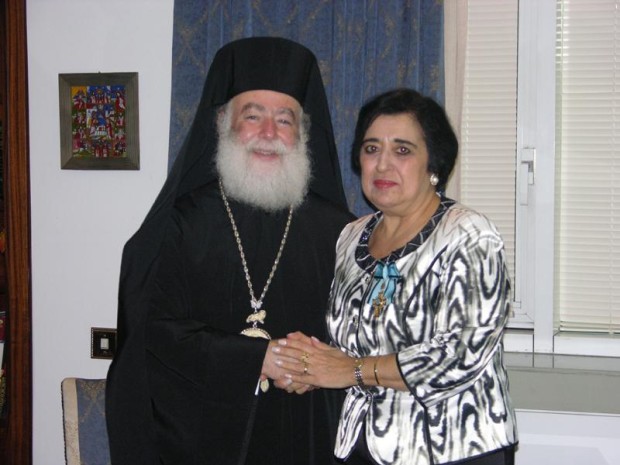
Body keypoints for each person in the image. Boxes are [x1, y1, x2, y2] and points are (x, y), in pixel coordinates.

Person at [105, 37, 355, 465]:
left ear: (302, 133)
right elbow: (152, 329)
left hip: (306, 432)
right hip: (203, 437)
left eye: (284, 120)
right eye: (252, 116)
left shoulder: (338, 230)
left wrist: (321, 365)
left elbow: (364, 337)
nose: (269, 134)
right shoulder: (181, 224)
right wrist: (256, 358)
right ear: (224, 123)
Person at [273, 88, 518, 465]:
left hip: (452, 447)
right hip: (361, 445)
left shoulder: (469, 235)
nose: (383, 164)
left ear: (434, 164)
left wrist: (350, 371)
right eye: (372, 149)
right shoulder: (351, 236)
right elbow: (355, 342)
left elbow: (460, 353)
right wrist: (310, 369)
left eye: (402, 150)